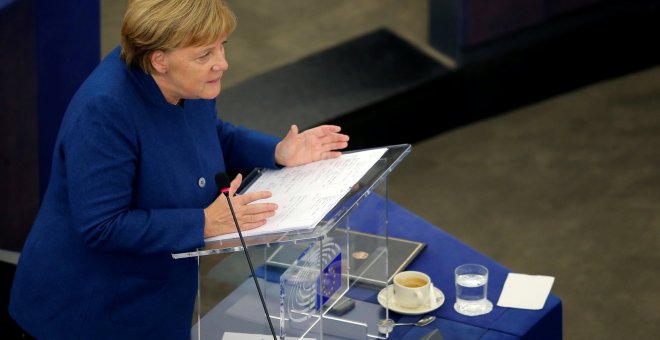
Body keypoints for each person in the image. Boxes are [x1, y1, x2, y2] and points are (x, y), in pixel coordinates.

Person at [8, 0, 349, 338]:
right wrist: (205, 222)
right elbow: (102, 225)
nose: (223, 64)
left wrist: (277, 152)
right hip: (89, 313)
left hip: (157, 301)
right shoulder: (105, 112)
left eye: (222, 47)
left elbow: (206, 133)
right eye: (205, 55)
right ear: (159, 60)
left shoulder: (188, 81)